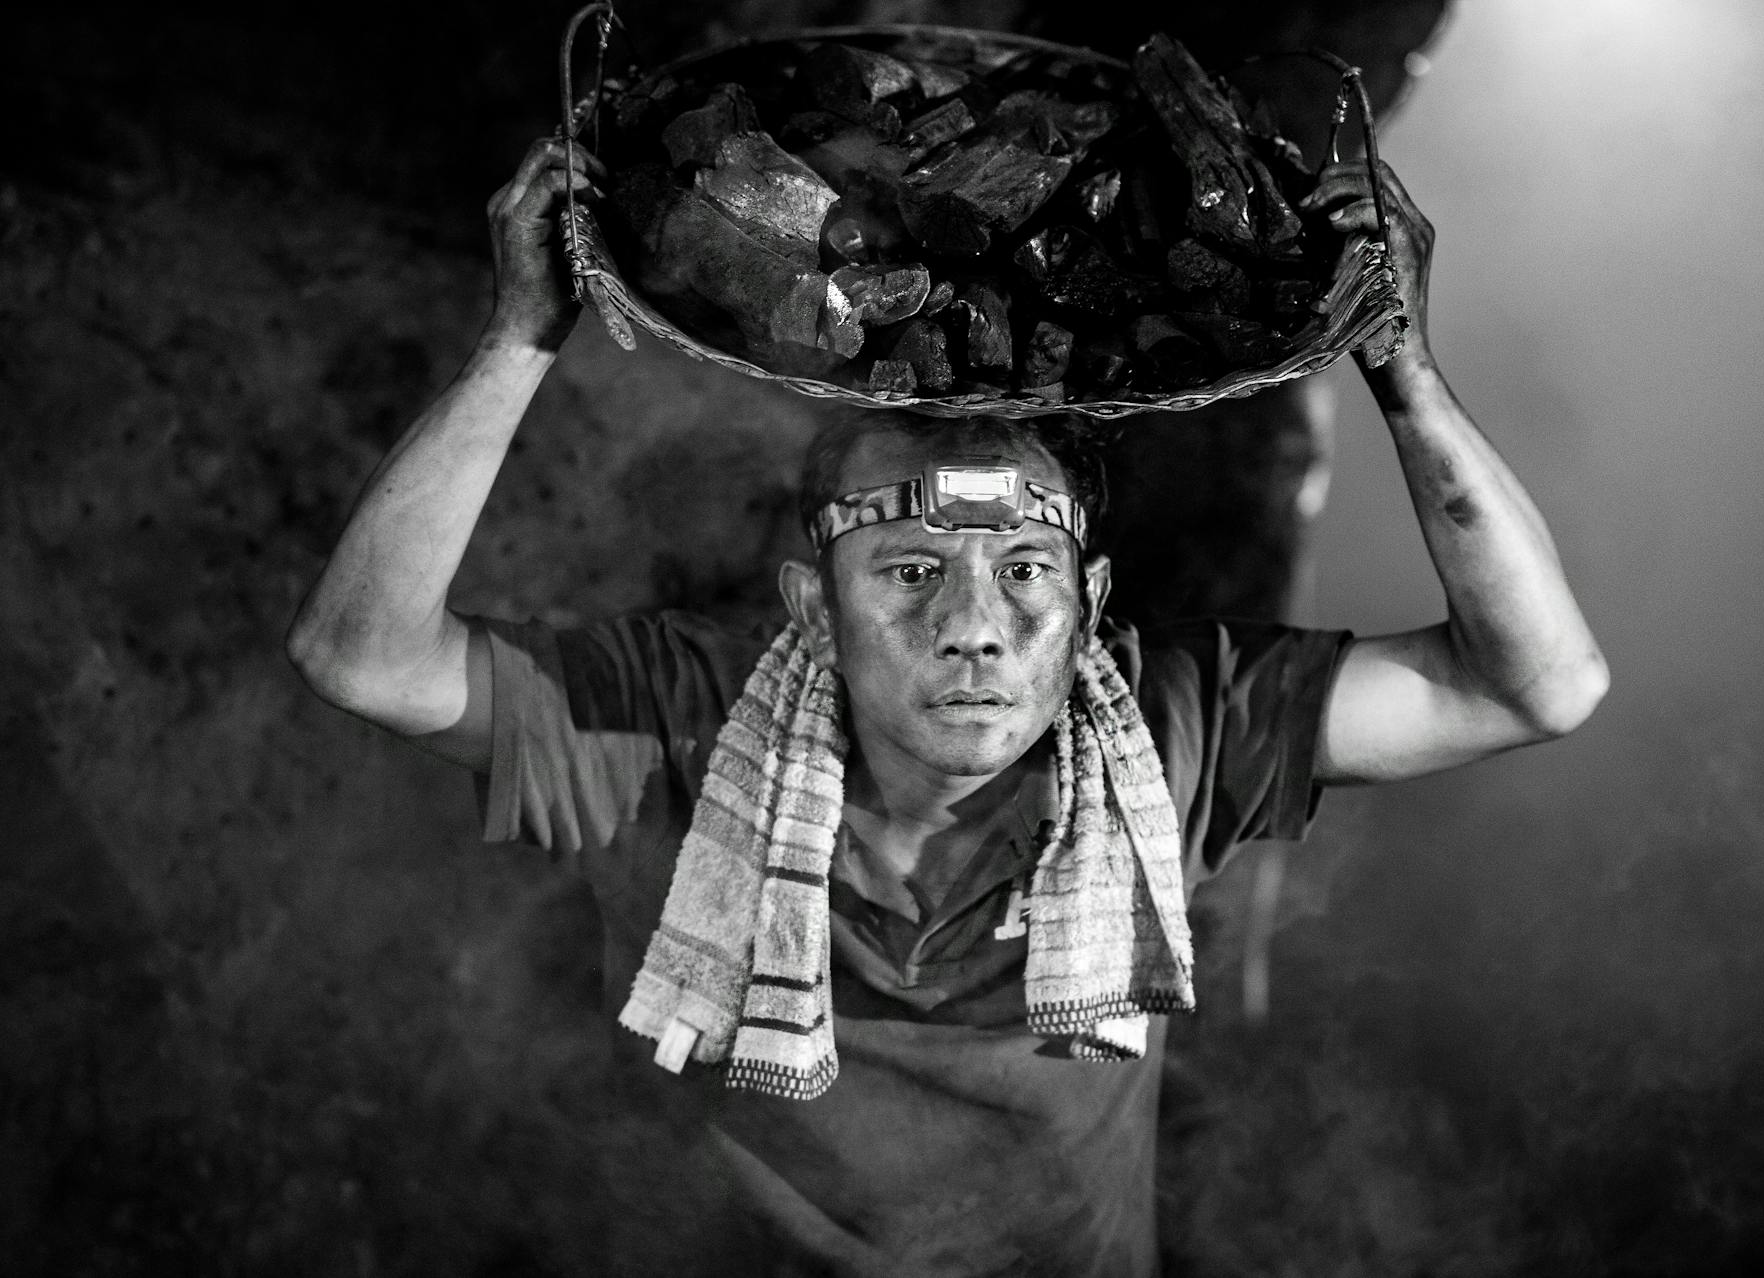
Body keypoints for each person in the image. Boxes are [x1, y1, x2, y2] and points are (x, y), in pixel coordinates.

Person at [287, 136, 1606, 1275]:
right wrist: (520, 335)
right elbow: (364, 658)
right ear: (812, 601)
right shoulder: (683, 718)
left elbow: (1538, 683)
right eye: (911, 570)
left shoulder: (1163, 723)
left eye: (1024, 569)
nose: (975, 621)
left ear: (1090, 595)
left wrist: (1402, 373)